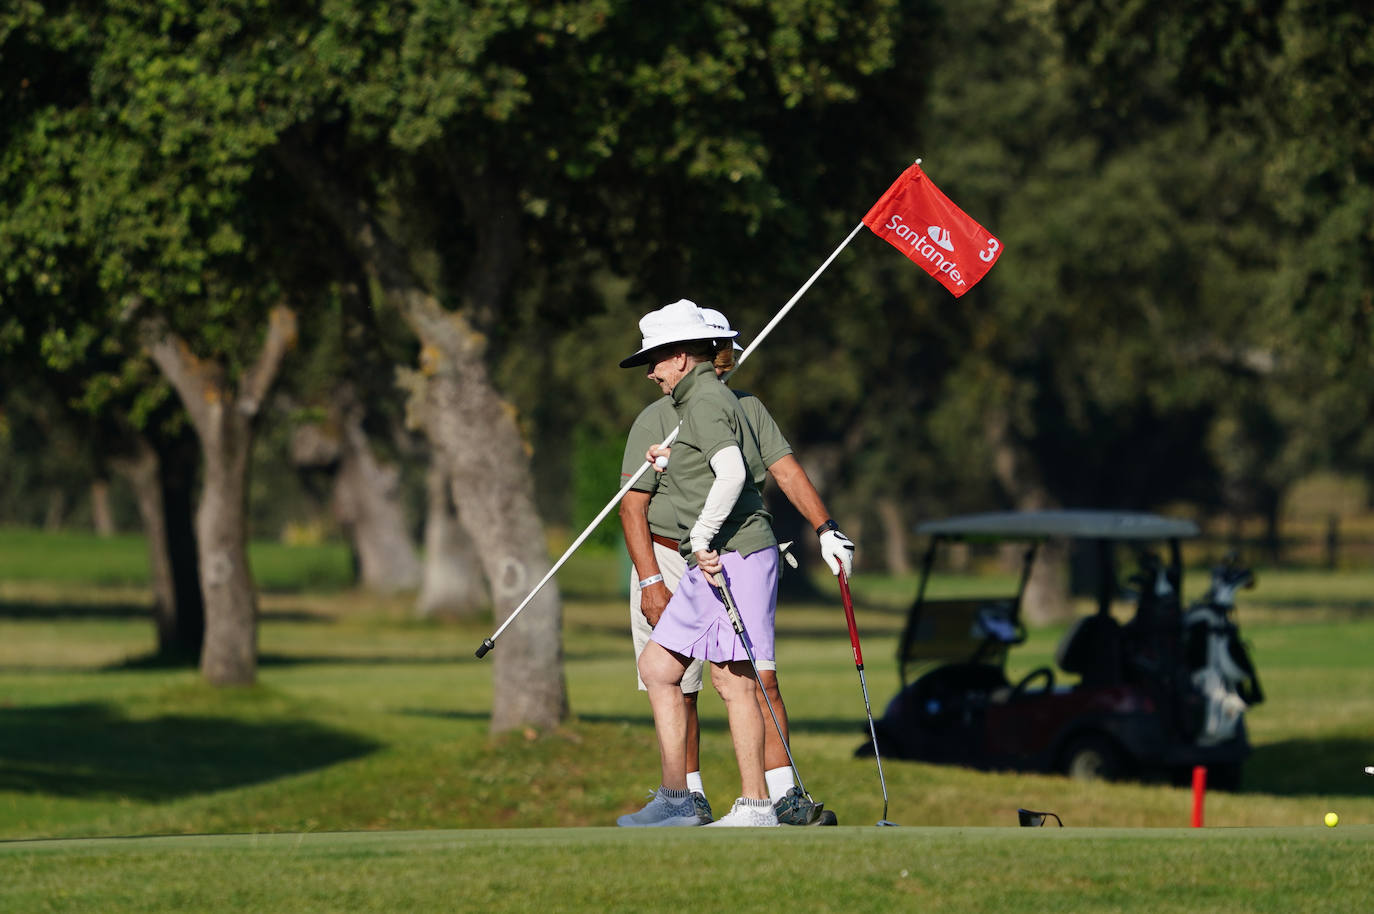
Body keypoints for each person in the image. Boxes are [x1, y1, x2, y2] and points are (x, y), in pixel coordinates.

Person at [614, 300, 854, 828]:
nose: (727, 358)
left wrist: (824, 526)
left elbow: (778, 472)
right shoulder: (660, 415)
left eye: (724, 348)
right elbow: (635, 504)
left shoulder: (733, 405)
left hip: (726, 551)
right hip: (667, 553)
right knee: (676, 676)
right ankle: (686, 798)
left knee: (745, 677)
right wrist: (652, 579)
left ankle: (771, 799)